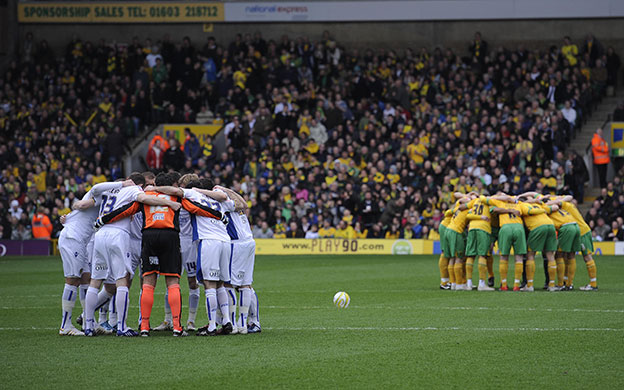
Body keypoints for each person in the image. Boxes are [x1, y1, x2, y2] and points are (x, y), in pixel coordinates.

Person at [83, 173, 180, 337]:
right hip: (120, 235)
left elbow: (94, 195)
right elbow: (143, 201)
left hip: (100, 234)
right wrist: (167, 202)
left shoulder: (109, 191)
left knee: (95, 281)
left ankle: (88, 325)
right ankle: (121, 326)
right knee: (123, 281)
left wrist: (100, 219)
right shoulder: (136, 191)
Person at [57, 179, 134, 336]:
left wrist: (72, 212)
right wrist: (121, 185)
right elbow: (94, 189)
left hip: (82, 240)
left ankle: (89, 322)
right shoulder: (100, 193)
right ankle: (65, 325)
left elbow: (80, 207)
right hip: (73, 237)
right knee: (73, 280)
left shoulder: (105, 200)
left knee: (87, 278)